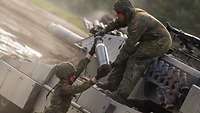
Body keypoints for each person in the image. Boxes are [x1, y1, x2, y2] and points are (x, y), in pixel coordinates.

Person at [96, 0, 172, 105]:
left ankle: (121, 95)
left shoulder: (138, 21)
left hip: (160, 42)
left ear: (126, 12)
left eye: (119, 13)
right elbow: (117, 22)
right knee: (125, 58)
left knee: (134, 60)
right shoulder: (130, 15)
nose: (117, 15)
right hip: (149, 40)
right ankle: (111, 84)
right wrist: (103, 31)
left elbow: (128, 47)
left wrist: (115, 62)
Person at [44, 41, 97, 113]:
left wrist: (91, 53)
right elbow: (78, 89)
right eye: (72, 73)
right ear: (66, 74)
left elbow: (79, 68)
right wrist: (96, 78)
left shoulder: (67, 80)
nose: (74, 75)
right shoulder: (64, 88)